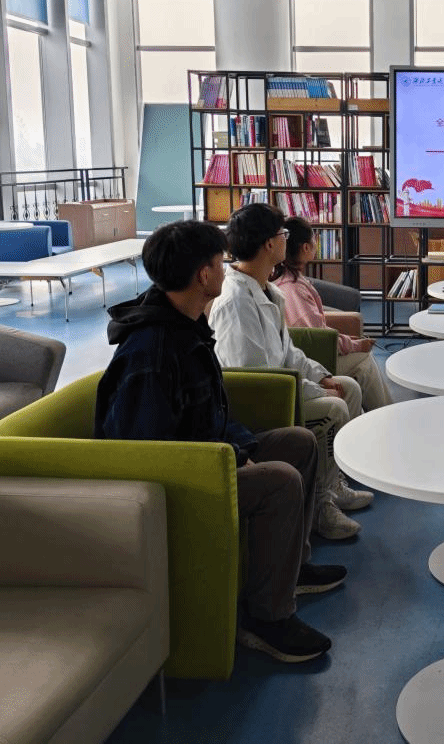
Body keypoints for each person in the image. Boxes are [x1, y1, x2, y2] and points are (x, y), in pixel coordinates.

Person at [95, 220, 343, 664]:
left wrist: (241, 449)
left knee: (300, 443)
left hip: (207, 456)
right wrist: (231, 458)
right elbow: (150, 452)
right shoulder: (152, 351)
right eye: (218, 262)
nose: (226, 269)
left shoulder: (186, 325)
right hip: (176, 483)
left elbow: (210, 413)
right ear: (203, 275)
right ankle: (267, 618)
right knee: (280, 481)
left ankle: (294, 569)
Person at [209, 203, 370, 541]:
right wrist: (318, 392)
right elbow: (257, 377)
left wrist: (321, 376)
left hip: (282, 386)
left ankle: (332, 484)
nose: (287, 239)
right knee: (334, 407)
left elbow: (288, 352)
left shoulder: (268, 289)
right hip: (263, 402)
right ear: (269, 244)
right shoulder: (236, 302)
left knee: (349, 388)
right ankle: (321, 505)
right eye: (282, 234)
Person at [274, 216, 392, 411]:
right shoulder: (294, 289)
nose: (315, 244)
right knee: (363, 360)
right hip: (312, 358)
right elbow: (317, 338)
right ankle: (385, 413)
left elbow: (317, 330)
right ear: (305, 247)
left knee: (362, 355)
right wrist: (355, 345)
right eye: (314, 239)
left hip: (307, 353)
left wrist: (349, 340)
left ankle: (381, 413)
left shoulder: (288, 279)